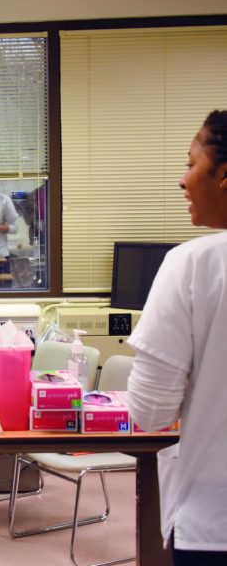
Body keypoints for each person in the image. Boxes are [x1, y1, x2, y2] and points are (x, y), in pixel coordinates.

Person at [126, 110, 227, 565]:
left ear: (223, 175)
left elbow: (149, 412)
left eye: (191, 164)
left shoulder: (194, 264)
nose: (183, 181)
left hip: (215, 518)